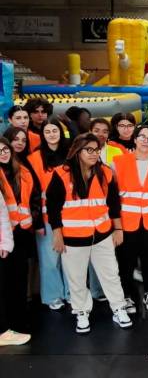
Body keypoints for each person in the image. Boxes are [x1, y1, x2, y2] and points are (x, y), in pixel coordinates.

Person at [47, 133, 132, 333]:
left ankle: (119, 308)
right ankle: (81, 312)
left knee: (111, 274)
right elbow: (52, 207)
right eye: (89, 150)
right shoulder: (60, 174)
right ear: (77, 151)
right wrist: (57, 234)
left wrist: (118, 228)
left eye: (97, 150)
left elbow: (113, 204)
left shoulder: (106, 173)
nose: (94, 154)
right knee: (76, 278)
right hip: (73, 239)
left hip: (102, 235)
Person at [112, 125, 148, 313]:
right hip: (127, 221)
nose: (146, 140)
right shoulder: (118, 162)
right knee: (126, 260)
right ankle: (127, 296)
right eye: (142, 136)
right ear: (135, 139)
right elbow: (112, 194)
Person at [28, 119, 70, 310]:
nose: (52, 134)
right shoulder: (34, 158)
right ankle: (53, 296)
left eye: (55, 130)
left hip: (71, 216)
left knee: (70, 259)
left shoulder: (71, 154)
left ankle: (71, 293)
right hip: (46, 218)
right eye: (48, 131)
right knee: (50, 260)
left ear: (61, 133)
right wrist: (37, 222)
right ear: (43, 135)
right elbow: (33, 193)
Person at [0, 138, 33, 346]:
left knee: (18, 279)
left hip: (22, 232)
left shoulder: (22, 171)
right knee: (3, 284)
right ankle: (5, 329)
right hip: (6, 236)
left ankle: (16, 320)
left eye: (5, 149)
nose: (3, 153)